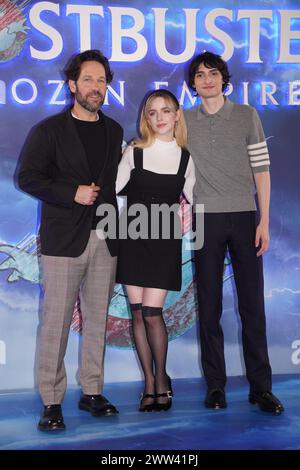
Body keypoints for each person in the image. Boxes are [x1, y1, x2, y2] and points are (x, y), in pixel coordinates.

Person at [18, 50, 123, 431]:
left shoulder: (113, 130)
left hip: (105, 238)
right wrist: (70, 192)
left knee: (98, 321)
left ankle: (92, 391)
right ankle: (51, 400)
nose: (96, 87)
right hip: (64, 240)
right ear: (72, 85)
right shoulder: (48, 131)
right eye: (89, 80)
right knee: (56, 323)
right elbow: (27, 178)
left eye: (102, 81)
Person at [184, 51, 284, 414]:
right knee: (208, 308)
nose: (206, 79)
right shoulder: (183, 120)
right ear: (192, 83)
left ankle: (262, 388)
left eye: (212, 73)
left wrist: (264, 220)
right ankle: (215, 387)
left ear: (223, 79)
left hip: (244, 216)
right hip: (205, 218)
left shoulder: (246, 115)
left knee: (252, 307)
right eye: (199, 74)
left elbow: (262, 171)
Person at [116, 89, 195, 412]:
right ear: (146, 119)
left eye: (166, 111)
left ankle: (162, 378)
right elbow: (114, 189)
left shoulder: (186, 158)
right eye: (152, 112)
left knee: (152, 314)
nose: (160, 117)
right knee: (137, 312)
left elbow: (197, 199)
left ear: (177, 115)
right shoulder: (133, 153)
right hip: (133, 238)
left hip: (164, 240)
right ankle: (149, 384)